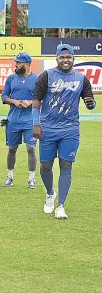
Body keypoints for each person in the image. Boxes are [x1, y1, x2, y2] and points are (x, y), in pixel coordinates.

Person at [32, 44, 96, 219]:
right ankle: (50, 194)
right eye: (62, 57)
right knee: (45, 166)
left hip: (70, 129)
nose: (65, 60)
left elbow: (90, 100)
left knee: (66, 166)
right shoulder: (47, 76)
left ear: (73, 59)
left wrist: (91, 103)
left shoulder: (82, 79)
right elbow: (36, 100)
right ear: (57, 58)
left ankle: (60, 206)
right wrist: (35, 124)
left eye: (69, 57)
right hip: (48, 129)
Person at [0, 52, 38, 188]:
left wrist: (30, 102)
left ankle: (31, 179)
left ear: (27, 64)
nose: (15, 65)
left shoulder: (37, 79)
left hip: (30, 120)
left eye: (18, 62)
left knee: (31, 148)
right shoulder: (11, 78)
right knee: (12, 149)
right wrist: (14, 101)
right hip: (13, 119)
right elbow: (4, 97)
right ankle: (9, 177)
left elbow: (43, 100)